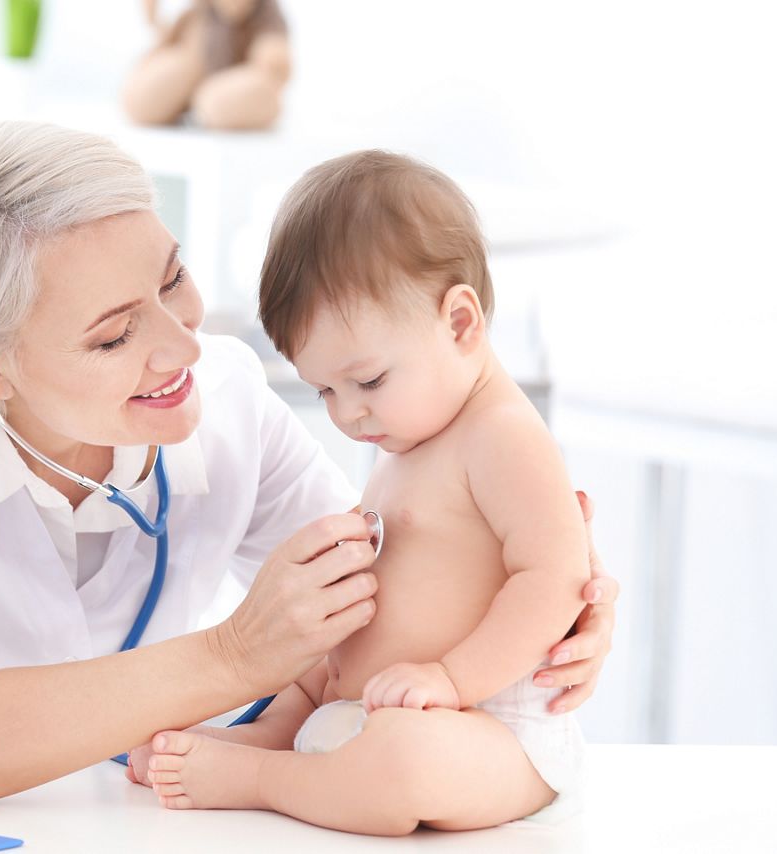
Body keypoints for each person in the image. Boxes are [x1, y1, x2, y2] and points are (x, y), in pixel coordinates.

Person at [0, 121, 618, 813]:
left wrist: (538, 597)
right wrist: (232, 656)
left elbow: (372, 600)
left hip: (83, 818)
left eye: (172, 278)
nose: (185, 344)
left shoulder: (223, 393)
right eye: (113, 334)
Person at [128, 150, 599, 833]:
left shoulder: (502, 434)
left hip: (490, 732)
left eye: (369, 381)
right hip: (363, 711)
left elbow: (554, 579)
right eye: (326, 391)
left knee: (404, 762)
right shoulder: (414, 433)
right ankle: (273, 739)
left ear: (460, 323)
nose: (348, 415)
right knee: (308, 671)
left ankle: (262, 775)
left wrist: (451, 681)